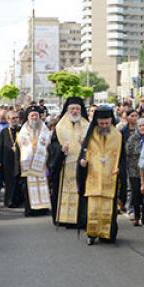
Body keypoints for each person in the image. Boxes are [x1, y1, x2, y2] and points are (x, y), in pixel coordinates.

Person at [77, 108, 125, 245]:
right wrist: (82, 161)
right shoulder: (90, 135)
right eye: (101, 123)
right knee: (92, 208)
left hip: (111, 176)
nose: (104, 126)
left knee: (108, 208)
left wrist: (120, 168)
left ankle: (107, 234)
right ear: (97, 122)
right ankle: (91, 234)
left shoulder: (118, 135)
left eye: (107, 123)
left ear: (111, 121)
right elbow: (84, 152)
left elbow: (123, 157)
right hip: (93, 176)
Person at [47, 97, 88, 229]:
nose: (75, 111)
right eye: (72, 109)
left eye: (77, 109)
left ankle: (80, 219)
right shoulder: (59, 127)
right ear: (67, 110)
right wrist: (60, 150)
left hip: (81, 166)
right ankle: (63, 218)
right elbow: (52, 147)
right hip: (64, 166)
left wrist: (86, 147)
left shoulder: (87, 126)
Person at [16, 108, 52, 217]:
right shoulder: (24, 130)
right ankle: (31, 209)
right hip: (29, 163)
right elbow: (21, 143)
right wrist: (32, 147)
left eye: (36, 115)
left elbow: (48, 142)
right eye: (32, 116)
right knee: (29, 188)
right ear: (28, 117)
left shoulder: (44, 129)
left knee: (43, 186)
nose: (34, 118)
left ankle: (43, 209)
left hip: (41, 163)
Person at [124, 118, 144, 226]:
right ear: (137, 127)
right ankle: (136, 216)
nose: (142, 128)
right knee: (136, 193)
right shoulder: (132, 138)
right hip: (134, 170)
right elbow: (128, 152)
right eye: (140, 126)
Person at [0, 109, 23, 209]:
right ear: (8, 119)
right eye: (13, 118)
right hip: (7, 160)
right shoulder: (4, 132)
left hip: (20, 159)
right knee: (9, 181)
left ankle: (19, 200)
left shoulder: (22, 131)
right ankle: (9, 201)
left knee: (19, 180)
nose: (15, 120)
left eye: (17, 118)